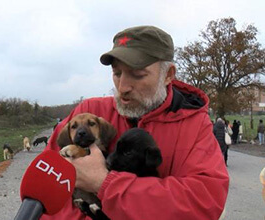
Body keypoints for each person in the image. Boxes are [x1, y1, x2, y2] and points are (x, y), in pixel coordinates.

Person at [41, 26, 229, 220]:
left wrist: (104, 183)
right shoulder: (89, 111)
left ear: (168, 75)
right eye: (117, 73)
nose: (122, 87)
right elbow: (42, 190)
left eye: (137, 74)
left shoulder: (195, 125)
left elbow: (203, 204)